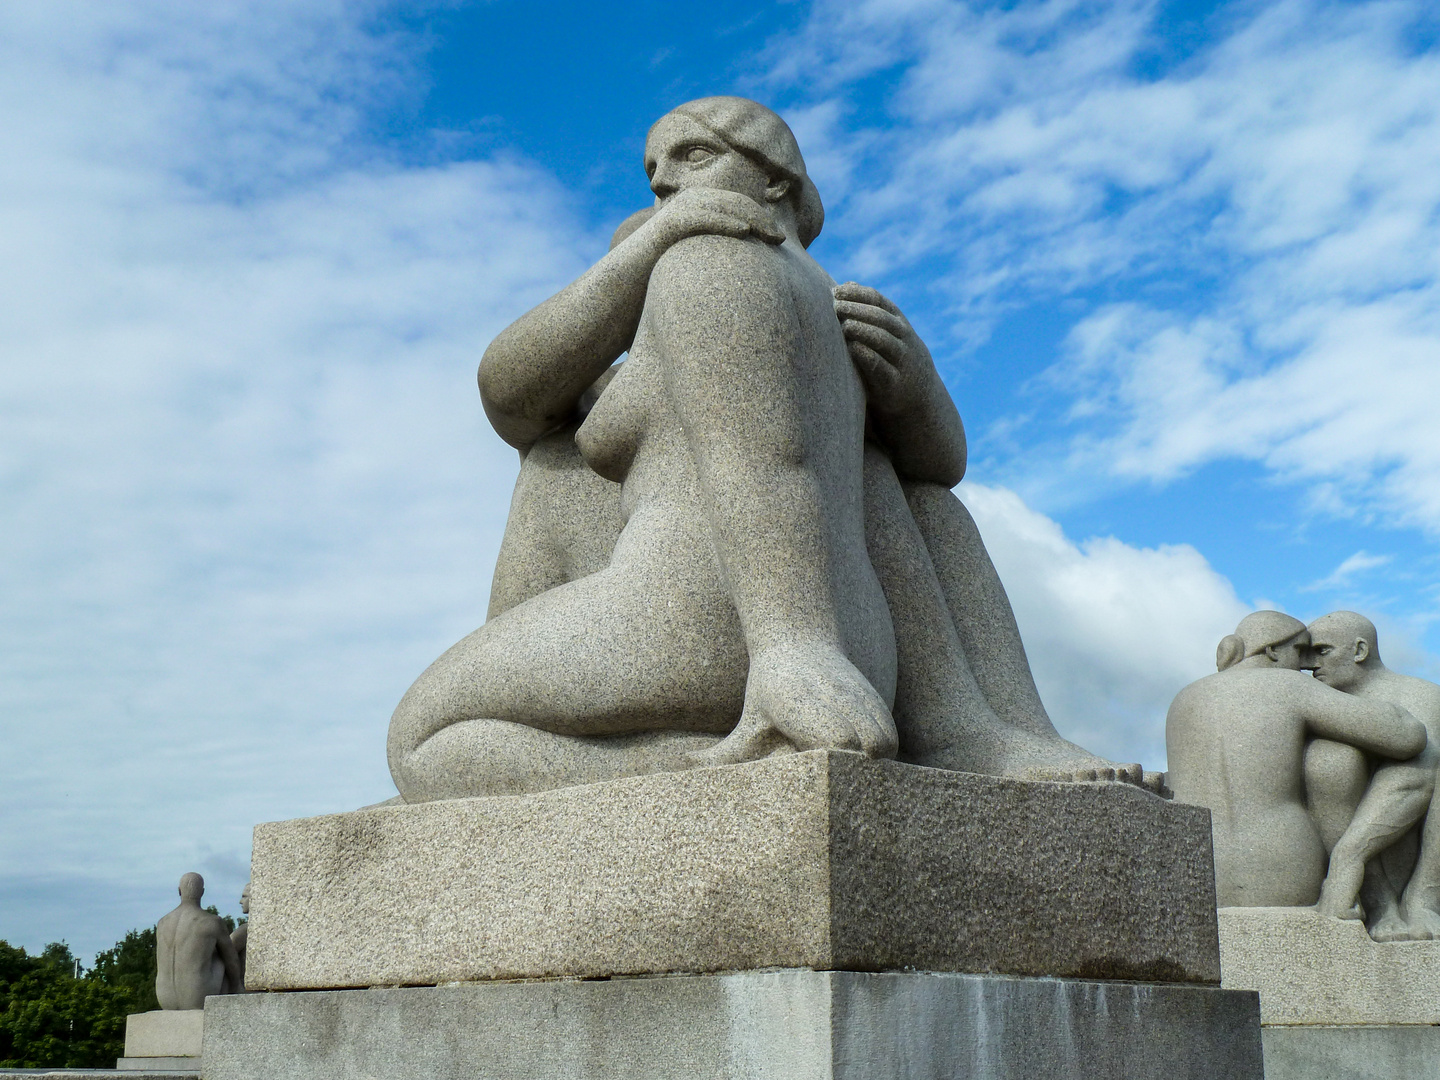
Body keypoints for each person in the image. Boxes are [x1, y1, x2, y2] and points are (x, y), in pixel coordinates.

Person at [389, 97, 1145, 803]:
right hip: (855, 641)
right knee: (553, 462)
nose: (661, 185)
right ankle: (942, 729)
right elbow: (513, 393)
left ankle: (689, 772)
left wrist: (791, 646)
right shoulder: (777, 294)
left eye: (690, 156)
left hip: (721, 619)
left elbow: (774, 456)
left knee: (423, 742)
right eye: (653, 175)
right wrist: (650, 245)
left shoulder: (716, 264)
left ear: (774, 176)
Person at [1166, 611, 1425, 907]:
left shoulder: (1183, 699)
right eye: (1300, 651)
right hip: (1283, 868)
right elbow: (1408, 737)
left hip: (1192, 874)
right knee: (1332, 757)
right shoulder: (1288, 685)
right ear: (1272, 650)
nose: (1306, 666)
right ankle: (1380, 904)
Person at [1305, 612, 1440, 937]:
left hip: (1418, 861)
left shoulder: (1418, 695)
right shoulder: (1324, 706)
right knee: (1326, 761)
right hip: (1361, 872)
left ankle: (1423, 900)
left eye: (1321, 651)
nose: (1310, 664)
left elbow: (1414, 780)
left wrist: (1424, 895)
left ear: (1359, 651)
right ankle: (1379, 903)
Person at [155, 872, 242, 1010]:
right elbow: (232, 961)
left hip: (164, 999)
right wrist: (236, 985)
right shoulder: (212, 922)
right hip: (198, 998)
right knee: (221, 956)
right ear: (202, 892)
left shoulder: (162, 923)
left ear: (179, 891)